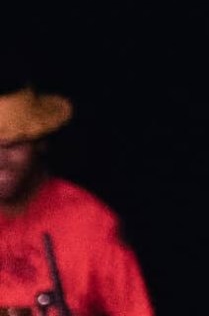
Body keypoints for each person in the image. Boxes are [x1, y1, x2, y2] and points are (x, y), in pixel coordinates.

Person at [0, 83, 154, 316]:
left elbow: (134, 309)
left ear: (40, 142)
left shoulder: (90, 223)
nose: (0, 160)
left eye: (12, 144)